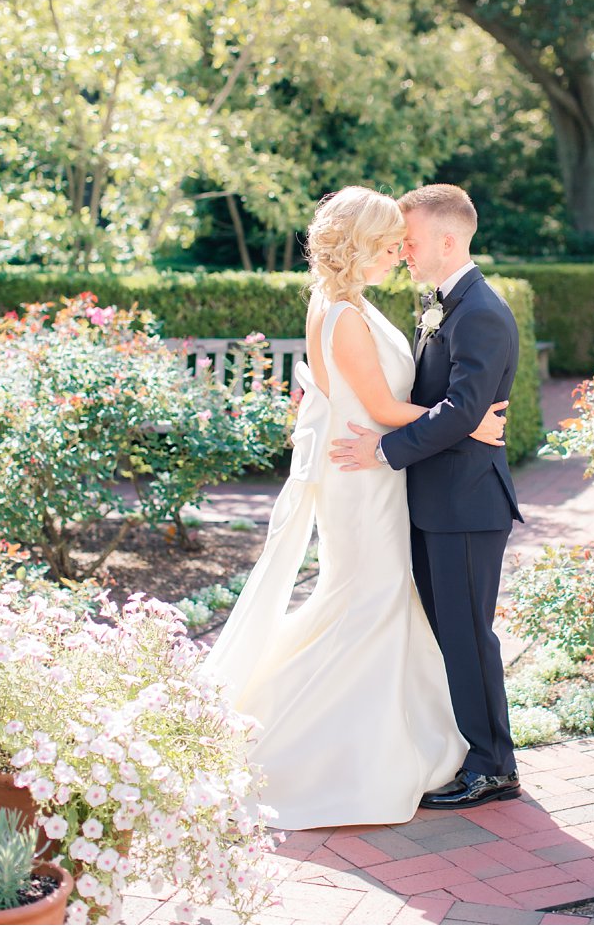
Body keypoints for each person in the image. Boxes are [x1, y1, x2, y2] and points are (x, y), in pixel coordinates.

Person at [205, 185, 506, 829]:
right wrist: (471, 423)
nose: (401, 253)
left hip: (374, 471)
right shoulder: (344, 314)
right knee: (365, 605)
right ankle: (316, 749)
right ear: (363, 246)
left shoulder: (344, 304)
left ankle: (391, 740)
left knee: (371, 607)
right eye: (391, 244)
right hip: (364, 474)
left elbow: (352, 391)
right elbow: (383, 408)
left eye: (406, 242)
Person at [330, 183, 524, 810]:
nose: (403, 252)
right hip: (434, 500)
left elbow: (463, 409)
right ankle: (477, 753)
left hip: (467, 504)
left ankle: (494, 766)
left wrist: (383, 451)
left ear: (447, 240)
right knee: (451, 634)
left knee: (469, 636)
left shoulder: (482, 312)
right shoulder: (441, 305)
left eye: (409, 242)